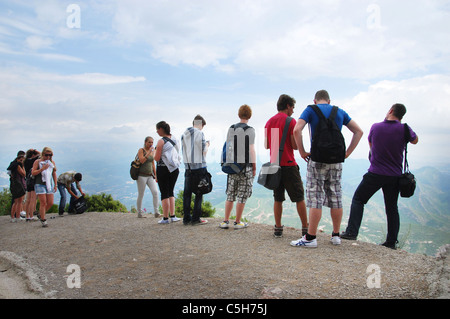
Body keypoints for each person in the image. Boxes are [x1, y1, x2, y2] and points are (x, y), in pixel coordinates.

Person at [291, 90, 363, 248]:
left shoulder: (311, 110)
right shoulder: (339, 112)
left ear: (315, 100)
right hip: (336, 161)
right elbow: (359, 131)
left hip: (317, 160)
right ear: (329, 101)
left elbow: (297, 130)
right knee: (335, 195)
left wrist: (302, 151)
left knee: (315, 197)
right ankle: (336, 235)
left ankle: (310, 238)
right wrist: (347, 153)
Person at [341, 104, 418, 249]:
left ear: (390, 110)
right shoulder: (404, 129)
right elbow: (415, 140)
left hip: (375, 173)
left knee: (358, 199)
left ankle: (351, 232)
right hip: (394, 175)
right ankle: (391, 242)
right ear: (402, 116)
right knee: (391, 208)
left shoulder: (376, 127)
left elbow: (371, 144)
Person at [264, 94, 308, 238]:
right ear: (288, 106)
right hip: (289, 164)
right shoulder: (291, 121)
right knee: (299, 197)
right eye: (293, 107)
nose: (293, 111)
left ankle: (277, 228)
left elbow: (267, 145)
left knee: (278, 198)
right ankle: (305, 228)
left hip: (274, 164)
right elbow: (295, 146)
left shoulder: (269, 122)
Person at [219, 105, 256, 229]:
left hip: (231, 166)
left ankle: (225, 221)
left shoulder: (232, 128)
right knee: (242, 195)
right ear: (249, 116)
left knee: (230, 194)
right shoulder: (250, 130)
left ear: (239, 115)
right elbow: (251, 150)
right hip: (245, 168)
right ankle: (238, 221)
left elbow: (227, 146)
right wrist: (254, 167)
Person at [181, 115, 210, 226]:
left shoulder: (184, 134)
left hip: (188, 168)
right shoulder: (200, 133)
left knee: (187, 194)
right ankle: (196, 219)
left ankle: (186, 219)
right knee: (199, 193)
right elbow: (204, 151)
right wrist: (207, 144)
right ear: (200, 124)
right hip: (199, 168)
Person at [154, 121, 181, 224]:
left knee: (164, 193)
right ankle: (173, 216)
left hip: (163, 169)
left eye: (157, 129)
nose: (157, 131)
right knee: (171, 192)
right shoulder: (174, 139)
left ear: (161, 129)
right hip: (174, 169)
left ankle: (165, 218)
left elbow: (156, 158)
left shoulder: (161, 141)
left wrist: (153, 153)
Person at [32, 147, 57, 227]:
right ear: (43, 154)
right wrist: (42, 169)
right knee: (43, 202)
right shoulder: (37, 161)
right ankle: (43, 219)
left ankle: (41, 214)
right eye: (46, 155)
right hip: (39, 184)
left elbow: (54, 173)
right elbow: (33, 172)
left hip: (49, 184)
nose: (48, 157)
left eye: (50, 155)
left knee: (50, 202)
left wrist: (55, 184)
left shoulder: (51, 162)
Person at [135, 136, 160, 218]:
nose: (151, 144)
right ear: (145, 142)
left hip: (150, 176)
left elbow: (153, 164)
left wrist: (155, 175)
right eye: (149, 142)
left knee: (155, 192)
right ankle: (139, 213)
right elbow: (141, 160)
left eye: (152, 142)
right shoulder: (141, 150)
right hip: (141, 175)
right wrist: (149, 152)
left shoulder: (152, 151)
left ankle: (156, 212)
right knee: (141, 194)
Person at [8, 152, 26, 222]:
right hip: (18, 184)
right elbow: (23, 174)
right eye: (21, 160)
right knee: (18, 202)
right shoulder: (18, 166)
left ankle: (14, 217)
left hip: (14, 184)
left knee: (16, 201)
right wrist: (23, 166)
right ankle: (16, 217)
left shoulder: (13, 165)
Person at [24, 149, 40, 221]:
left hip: (27, 180)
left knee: (28, 199)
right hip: (33, 180)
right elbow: (41, 154)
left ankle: (27, 216)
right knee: (33, 199)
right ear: (33, 155)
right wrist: (35, 150)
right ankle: (31, 215)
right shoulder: (34, 161)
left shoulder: (25, 161)